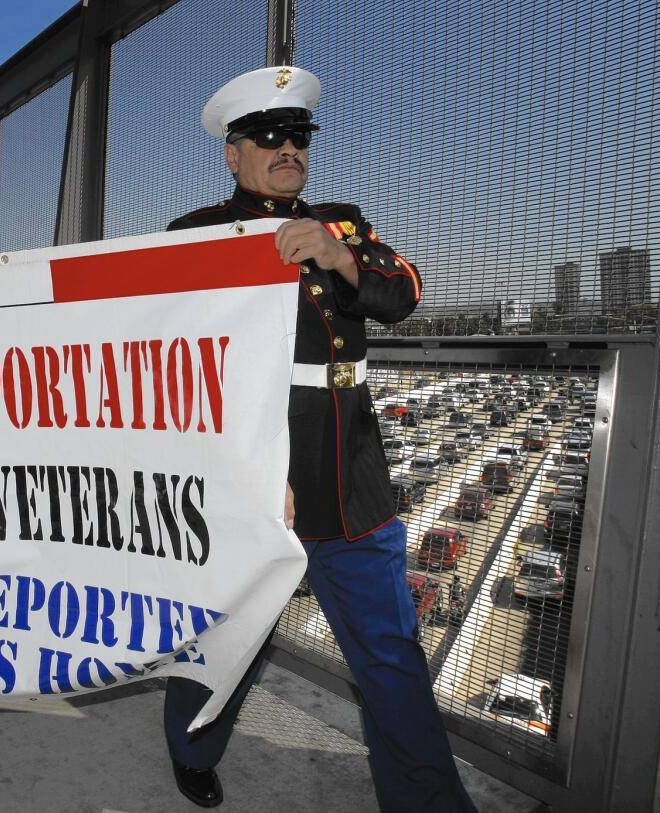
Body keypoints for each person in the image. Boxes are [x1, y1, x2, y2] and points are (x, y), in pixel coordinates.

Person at [161, 68, 476, 812]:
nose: (286, 148)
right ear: (232, 154)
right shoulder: (192, 236)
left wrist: (339, 257)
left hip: (353, 470)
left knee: (390, 655)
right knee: (225, 644)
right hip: (253, 480)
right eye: (268, 137)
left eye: (298, 135)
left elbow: (403, 292)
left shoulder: (344, 224)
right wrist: (245, 468)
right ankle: (190, 746)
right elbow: (174, 372)